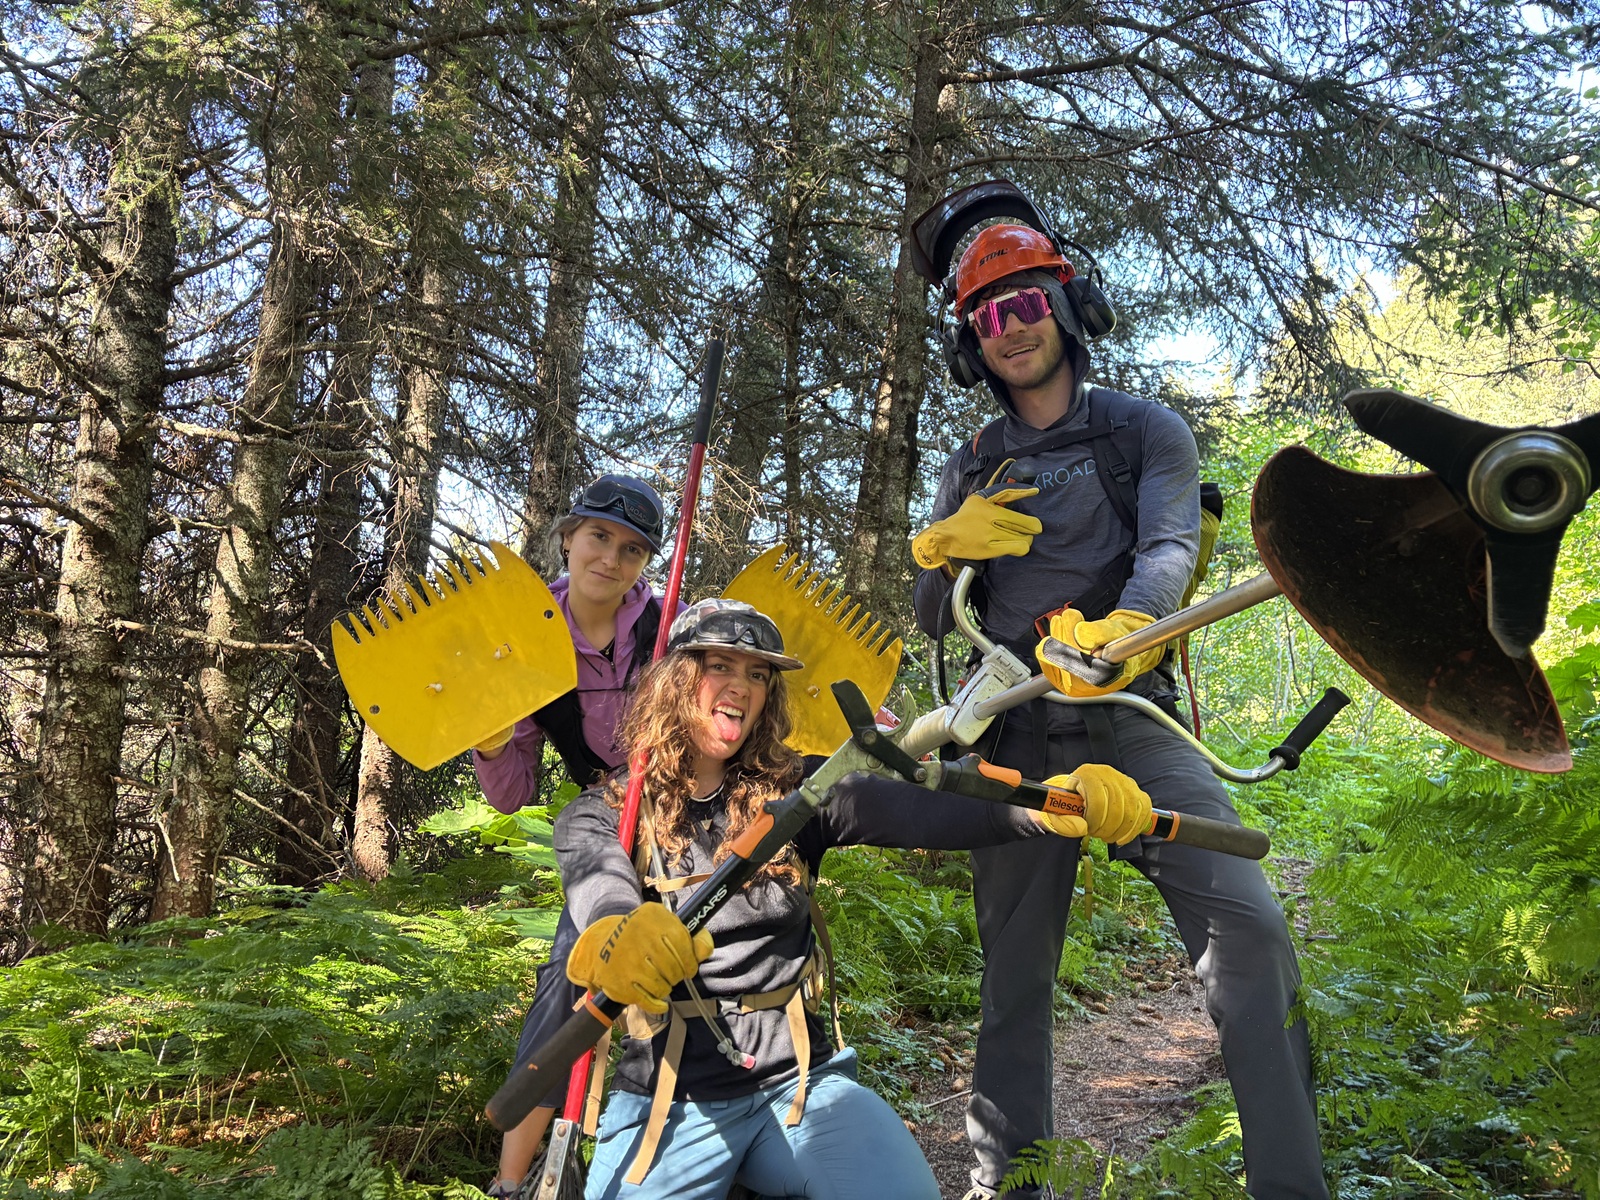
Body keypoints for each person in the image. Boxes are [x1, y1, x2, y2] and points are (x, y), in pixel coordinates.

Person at [911, 222, 1326, 1199]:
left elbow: (1169, 549)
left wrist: (1126, 626)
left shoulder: (1143, 430)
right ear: (969, 342)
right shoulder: (968, 462)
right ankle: (1008, 1186)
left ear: (1065, 306)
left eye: (1023, 302)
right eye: (986, 314)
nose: (1009, 328)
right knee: (1011, 982)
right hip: (1007, 732)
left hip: (1132, 715)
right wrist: (935, 549)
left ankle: (1292, 1182)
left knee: (1252, 931)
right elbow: (935, 617)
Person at [553, 597, 1152, 1200]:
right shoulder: (605, 814)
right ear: (676, 680)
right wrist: (613, 936)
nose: (741, 686)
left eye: (757, 674)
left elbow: (929, 810)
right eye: (720, 667)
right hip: (670, 1104)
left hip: (801, 1089)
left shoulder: (800, 793)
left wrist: (1048, 805)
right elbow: (599, 887)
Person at [474, 473, 684, 1198]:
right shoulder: (529, 640)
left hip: (686, 813)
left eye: (632, 549)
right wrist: (495, 743)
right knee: (574, 981)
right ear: (567, 537)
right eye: (598, 537)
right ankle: (514, 1179)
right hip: (603, 823)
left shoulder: (670, 625)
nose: (611, 560)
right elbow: (512, 795)